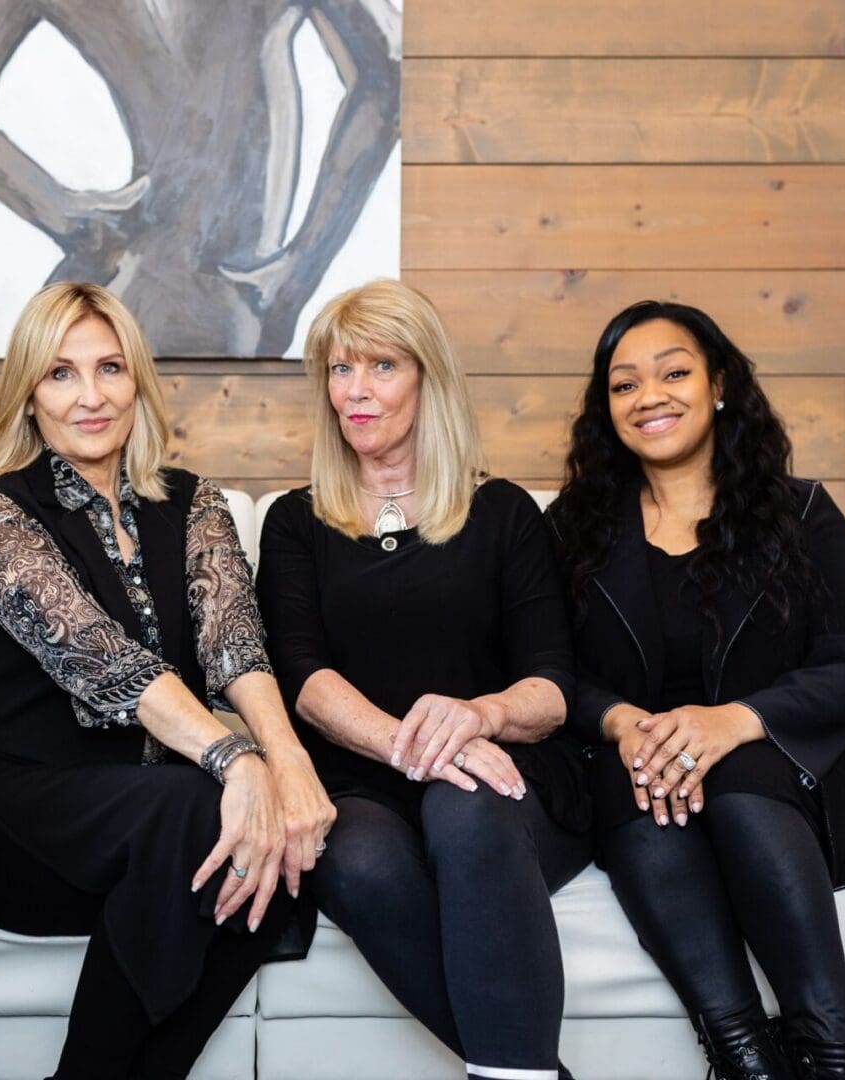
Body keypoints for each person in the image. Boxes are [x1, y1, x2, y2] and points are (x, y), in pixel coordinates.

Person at [546, 301, 845, 1080]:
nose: (650, 396)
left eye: (674, 372)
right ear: (605, 409)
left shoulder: (801, 511)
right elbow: (550, 671)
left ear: (718, 386)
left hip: (789, 760)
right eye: (624, 384)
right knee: (635, 784)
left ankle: (836, 1052)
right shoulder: (573, 527)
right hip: (636, 762)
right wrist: (617, 721)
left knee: (736, 777)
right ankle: (744, 1055)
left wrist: (736, 721)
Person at [0, 281, 336, 1078]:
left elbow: (235, 646)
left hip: (146, 829)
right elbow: (105, 664)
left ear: (137, 382)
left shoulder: (194, 503)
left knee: (283, 862)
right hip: (19, 817)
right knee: (199, 807)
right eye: (61, 374)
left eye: (109, 368)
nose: (91, 396)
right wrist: (238, 760)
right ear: (29, 396)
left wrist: (290, 766)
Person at [256, 279, 592, 1080]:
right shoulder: (297, 520)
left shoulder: (504, 512)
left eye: (382, 365)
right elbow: (302, 675)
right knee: (360, 861)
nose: (357, 390)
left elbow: (553, 684)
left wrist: (476, 716)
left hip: (496, 777)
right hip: (360, 779)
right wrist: (415, 747)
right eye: (341, 369)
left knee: (465, 809)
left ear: (427, 378)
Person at [0, 0, 399, 356]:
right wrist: (67, 215)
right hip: (186, 289)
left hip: (187, 289)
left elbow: (390, 76)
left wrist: (299, 269)